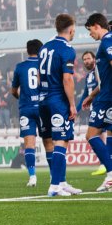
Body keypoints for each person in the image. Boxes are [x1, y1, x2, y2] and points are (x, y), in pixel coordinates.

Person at [37, 13, 83, 196]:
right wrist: (72, 104)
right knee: (61, 141)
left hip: (43, 99)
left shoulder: (44, 47)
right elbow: (67, 80)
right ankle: (54, 185)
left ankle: (62, 182)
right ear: (71, 29)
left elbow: (40, 77)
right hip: (57, 100)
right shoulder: (67, 49)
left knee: (54, 140)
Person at [82, 14, 112, 191]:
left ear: (96, 26)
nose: (90, 34)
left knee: (91, 135)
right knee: (110, 134)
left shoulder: (107, 41)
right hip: (104, 94)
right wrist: (91, 95)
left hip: (107, 98)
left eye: (90, 30)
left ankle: (110, 175)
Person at [9, 39, 45, 187]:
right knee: (49, 142)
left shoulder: (20, 67)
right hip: (43, 108)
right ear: (41, 50)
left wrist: (22, 98)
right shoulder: (43, 65)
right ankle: (56, 180)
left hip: (26, 108)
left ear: (27, 50)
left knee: (29, 144)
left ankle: (32, 177)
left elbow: (13, 91)